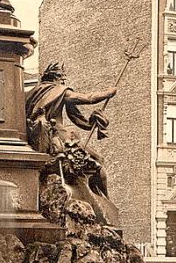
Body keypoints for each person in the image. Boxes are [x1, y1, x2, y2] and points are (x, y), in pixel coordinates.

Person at [25, 62, 116, 200]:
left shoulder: (32, 92)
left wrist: (90, 123)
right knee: (98, 163)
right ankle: (105, 201)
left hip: (33, 138)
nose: (63, 82)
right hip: (58, 138)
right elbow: (88, 98)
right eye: (62, 78)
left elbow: (76, 117)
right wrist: (108, 93)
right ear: (58, 78)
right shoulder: (59, 90)